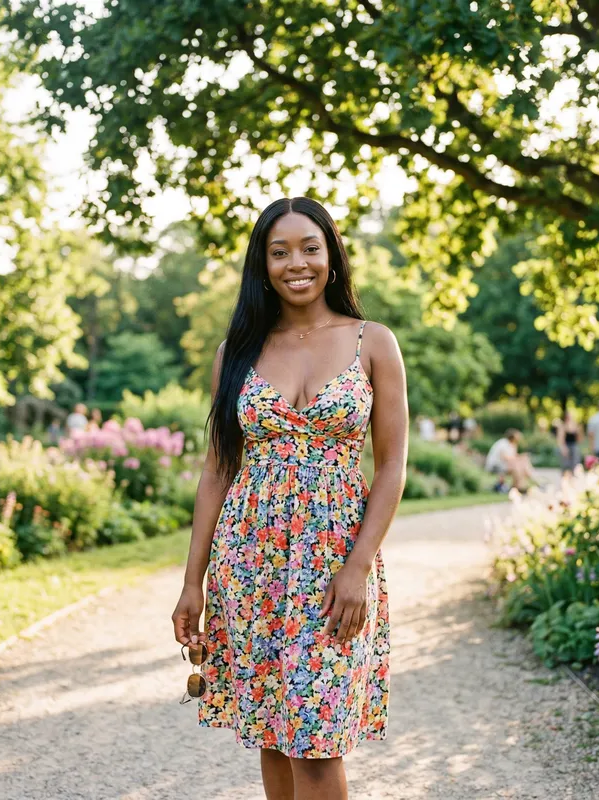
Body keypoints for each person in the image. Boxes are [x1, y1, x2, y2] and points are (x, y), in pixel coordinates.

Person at [171, 197, 408, 798]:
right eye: (280, 252)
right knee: (273, 732)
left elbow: (391, 467)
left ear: (332, 256)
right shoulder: (237, 352)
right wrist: (193, 583)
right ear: (263, 264)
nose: (296, 263)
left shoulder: (373, 342)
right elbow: (217, 471)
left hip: (334, 565)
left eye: (309, 248)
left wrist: (357, 568)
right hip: (249, 564)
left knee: (318, 745)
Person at [485, 428, 534, 492]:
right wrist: (520, 458)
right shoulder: (503, 443)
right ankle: (518, 487)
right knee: (517, 467)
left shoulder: (513, 444)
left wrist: (522, 457)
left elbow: (514, 456)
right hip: (495, 465)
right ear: (513, 436)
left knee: (522, 463)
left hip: (504, 464)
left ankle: (519, 486)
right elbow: (505, 458)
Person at [556, 410, 584, 475]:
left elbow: (579, 440)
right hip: (566, 445)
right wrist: (563, 448)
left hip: (574, 446)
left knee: (575, 463)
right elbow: (560, 439)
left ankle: (573, 475)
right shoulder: (563, 426)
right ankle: (565, 476)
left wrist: (579, 431)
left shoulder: (575, 426)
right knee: (565, 464)